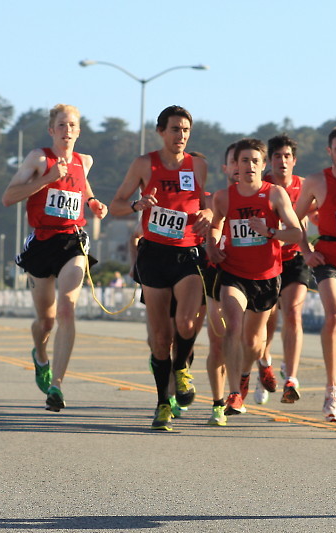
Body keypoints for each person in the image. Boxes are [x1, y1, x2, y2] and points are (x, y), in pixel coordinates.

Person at [109, 105, 211, 431]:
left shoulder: (198, 166)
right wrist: (138, 205)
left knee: (187, 321)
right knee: (159, 337)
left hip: (188, 254)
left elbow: (206, 206)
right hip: (154, 254)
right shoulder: (144, 164)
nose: (180, 136)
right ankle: (162, 403)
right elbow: (116, 205)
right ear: (161, 131)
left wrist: (210, 218)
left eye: (185, 130)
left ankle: (181, 368)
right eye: (175, 129)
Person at [2, 103, 109, 412]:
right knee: (45, 321)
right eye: (61, 125)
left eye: (72, 125)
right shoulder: (38, 158)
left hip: (72, 241)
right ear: (52, 130)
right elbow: (9, 197)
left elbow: (82, 185)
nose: (67, 130)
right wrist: (47, 177)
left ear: (79, 130)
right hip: (41, 243)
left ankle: (57, 385)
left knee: (66, 309)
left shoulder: (84, 161)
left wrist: (93, 203)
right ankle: (40, 355)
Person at [206, 138, 302, 418]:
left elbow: (296, 233)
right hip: (234, 273)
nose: (249, 166)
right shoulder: (224, 197)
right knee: (233, 326)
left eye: (255, 161)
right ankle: (234, 393)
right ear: (236, 165)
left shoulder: (275, 194)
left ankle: (246, 372)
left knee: (253, 342)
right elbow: (215, 225)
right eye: (243, 160)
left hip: (267, 276)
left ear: (263, 165)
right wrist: (212, 245)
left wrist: (269, 232)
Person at [295, 126, 336, 422]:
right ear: (329, 151)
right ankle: (331, 389)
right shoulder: (316, 181)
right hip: (328, 257)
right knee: (334, 317)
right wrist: (306, 251)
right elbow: (294, 217)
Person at [255, 134, 310, 405]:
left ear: (294, 160)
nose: (283, 161)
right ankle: (264, 362)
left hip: (295, 259)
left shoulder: (304, 186)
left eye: (287, 156)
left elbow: (315, 218)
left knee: (293, 312)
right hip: (266, 259)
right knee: (268, 318)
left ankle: (291, 377)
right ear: (270, 160)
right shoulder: (261, 186)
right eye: (277, 156)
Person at [204, 142, 240, 426]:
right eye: (234, 163)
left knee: (247, 340)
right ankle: (219, 402)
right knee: (217, 341)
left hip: (251, 275)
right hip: (218, 272)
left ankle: (241, 385)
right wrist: (211, 241)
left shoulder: (262, 196)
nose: (240, 168)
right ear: (226, 168)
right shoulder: (216, 199)